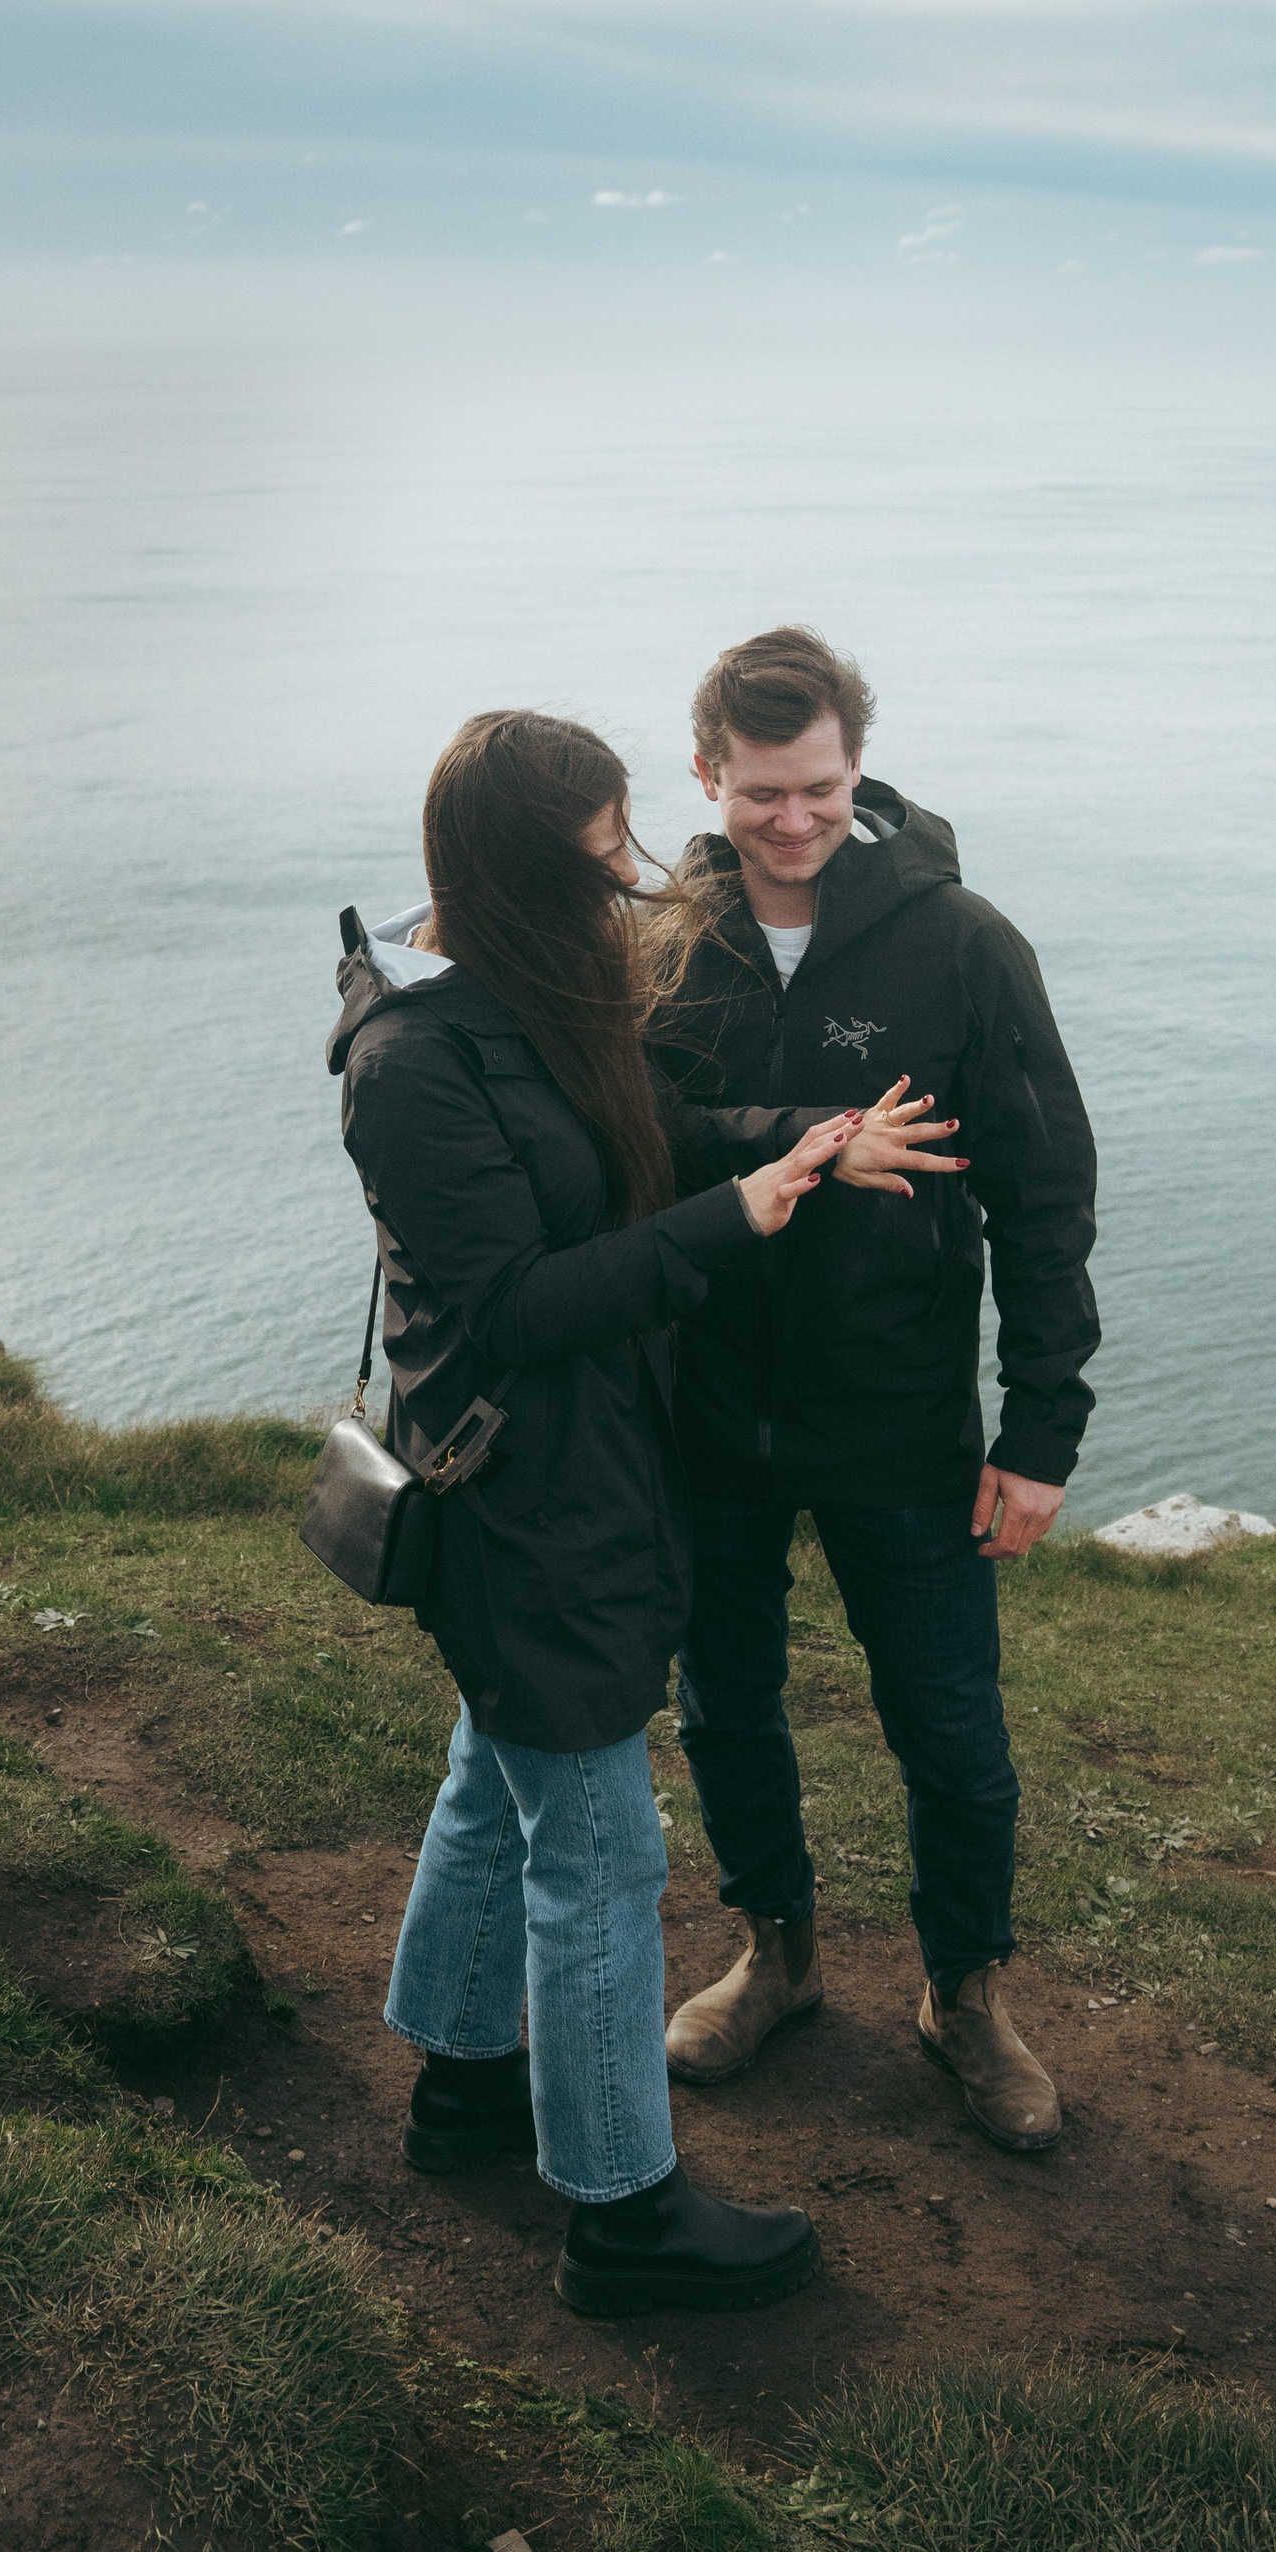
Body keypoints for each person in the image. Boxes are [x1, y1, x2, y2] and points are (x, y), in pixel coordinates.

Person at [328, 704, 935, 2313]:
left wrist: (791, 1147)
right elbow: (515, 1305)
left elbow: (625, 1146)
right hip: (524, 1493)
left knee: (496, 1778)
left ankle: (463, 2087)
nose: (636, 887)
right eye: (606, 861)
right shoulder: (410, 1064)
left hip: (573, 1471)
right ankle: (623, 2213)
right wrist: (736, 1221)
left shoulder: (504, 997)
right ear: (529, 867)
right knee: (595, 1856)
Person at [648, 625, 1100, 2155]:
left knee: (954, 1730)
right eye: (762, 790)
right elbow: (623, 1134)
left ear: (862, 766)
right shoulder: (658, 938)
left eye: (821, 788)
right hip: (703, 1397)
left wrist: (1042, 1432)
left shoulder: (963, 944)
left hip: (896, 1411)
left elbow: (1048, 1199)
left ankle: (965, 1994)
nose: (793, 821)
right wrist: (809, 1135)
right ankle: (772, 1954)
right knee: (727, 1704)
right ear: (706, 772)